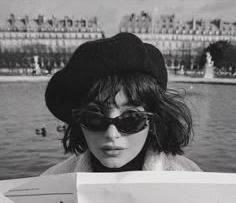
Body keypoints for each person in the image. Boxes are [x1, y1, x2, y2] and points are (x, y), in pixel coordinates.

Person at [43, 32, 201, 175]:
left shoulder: (191, 179)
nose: (112, 134)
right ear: (78, 120)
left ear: (153, 121)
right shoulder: (51, 183)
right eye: (94, 117)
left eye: (131, 118)